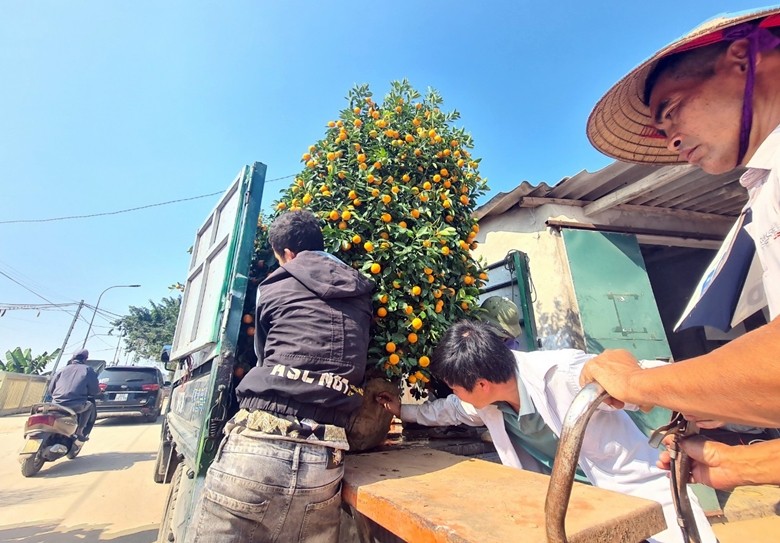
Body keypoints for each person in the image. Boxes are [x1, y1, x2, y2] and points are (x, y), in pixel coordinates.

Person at [580, 6, 780, 489]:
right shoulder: (763, 190)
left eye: (671, 110)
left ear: (742, 60)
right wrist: (748, 463)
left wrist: (638, 386)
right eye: (660, 128)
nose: (670, 141)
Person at [378, 320, 716, 543]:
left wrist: (705, 399)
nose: (455, 394)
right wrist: (400, 411)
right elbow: (446, 411)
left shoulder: (564, 374)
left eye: (455, 386)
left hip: (633, 497)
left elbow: (642, 378)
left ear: (480, 384)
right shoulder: (486, 404)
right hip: (574, 510)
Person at [189, 209, 374, 543]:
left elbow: (263, 353)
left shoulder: (274, 284)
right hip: (325, 459)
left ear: (288, 255)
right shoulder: (361, 290)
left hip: (256, 446)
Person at [48, 348, 99, 441]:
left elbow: (51, 390)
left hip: (56, 405)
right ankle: (80, 431)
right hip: (75, 406)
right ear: (85, 359)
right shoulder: (88, 370)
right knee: (90, 406)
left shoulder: (61, 370)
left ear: (72, 358)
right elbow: (94, 390)